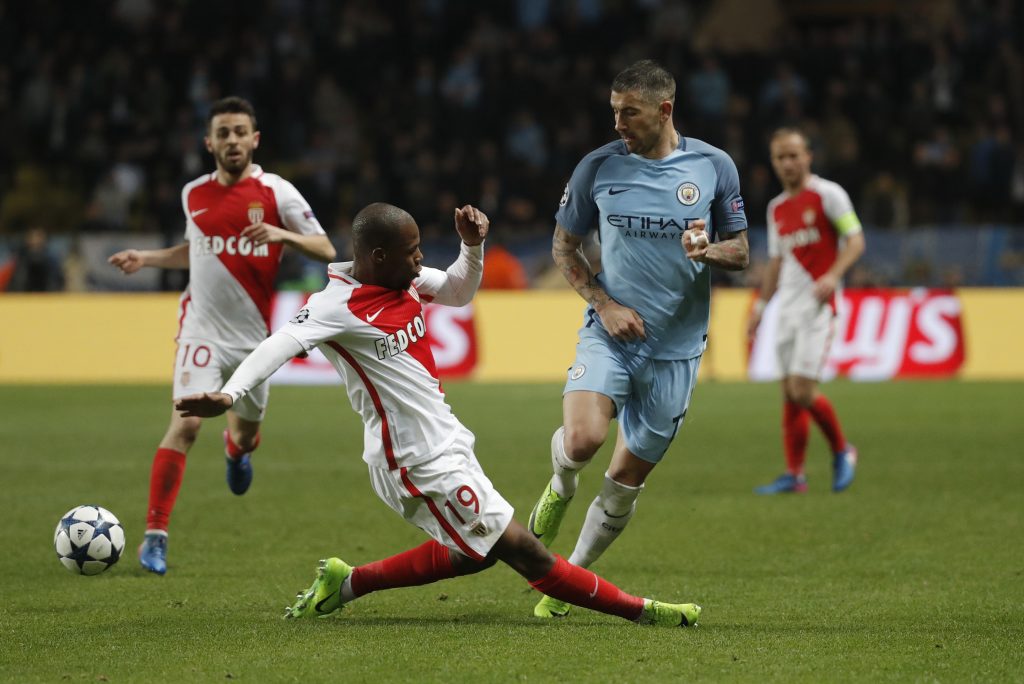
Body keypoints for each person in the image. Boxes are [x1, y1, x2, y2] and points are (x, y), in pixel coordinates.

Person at [176, 202, 701, 628]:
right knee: (525, 553)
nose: (420, 258)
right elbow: (279, 343)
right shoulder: (335, 307)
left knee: (477, 552)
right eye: (412, 251)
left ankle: (349, 582)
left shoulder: (399, 279)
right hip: (413, 460)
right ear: (378, 255)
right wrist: (229, 393)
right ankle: (643, 612)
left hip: (447, 441)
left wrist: (472, 247)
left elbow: (457, 289)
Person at [526, 59, 749, 619]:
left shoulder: (714, 166)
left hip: (677, 350)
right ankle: (560, 481)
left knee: (625, 480)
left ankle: (568, 579)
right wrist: (605, 303)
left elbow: (741, 252)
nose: (619, 123)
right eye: (614, 111)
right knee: (581, 441)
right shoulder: (596, 168)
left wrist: (708, 251)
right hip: (612, 334)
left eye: (630, 112)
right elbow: (564, 248)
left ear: (665, 109)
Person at [108, 96, 337, 574]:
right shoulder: (194, 193)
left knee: (248, 434)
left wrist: (282, 236)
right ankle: (154, 536)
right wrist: (147, 258)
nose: (232, 140)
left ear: (255, 139)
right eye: (223, 133)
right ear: (209, 141)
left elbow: (326, 248)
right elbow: (193, 251)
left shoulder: (278, 192)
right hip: (201, 329)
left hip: (254, 339)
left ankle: (237, 450)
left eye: (240, 132)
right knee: (186, 423)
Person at [748, 127, 865, 495]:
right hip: (787, 307)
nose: (787, 163)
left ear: (808, 156)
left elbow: (856, 239)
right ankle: (795, 475)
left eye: (793, 155)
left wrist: (832, 275)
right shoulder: (776, 208)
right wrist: (762, 306)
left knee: (802, 389)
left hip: (818, 306)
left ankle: (843, 449)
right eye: (780, 157)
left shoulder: (828, 195)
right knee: (788, 392)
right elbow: (776, 263)